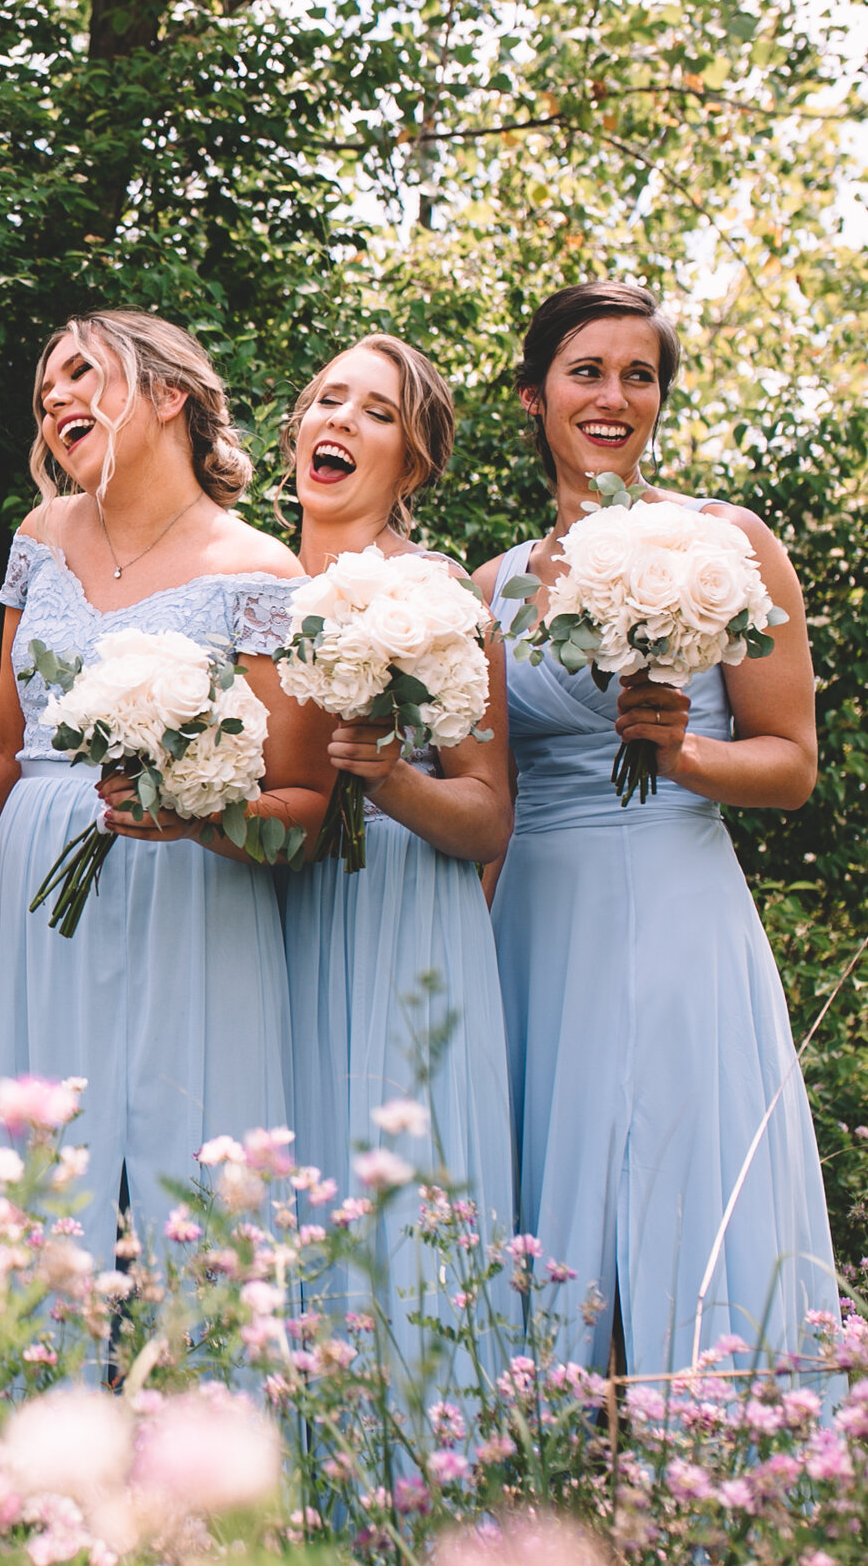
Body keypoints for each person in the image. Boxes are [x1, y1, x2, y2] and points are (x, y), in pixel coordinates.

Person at [476, 280, 836, 1375]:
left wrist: (681, 752)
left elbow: (791, 765)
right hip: (537, 920)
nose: (614, 396)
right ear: (533, 395)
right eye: (587, 371)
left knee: (690, 1175)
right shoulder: (491, 588)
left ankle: (721, 1469)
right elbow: (491, 802)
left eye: (640, 375)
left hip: (682, 907)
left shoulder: (724, 545)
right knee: (547, 1201)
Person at [0, 310, 335, 1266]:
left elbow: (301, 813)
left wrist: (197, 817)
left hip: (197, 898)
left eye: (83, 371)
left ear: (170, 395)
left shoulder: (259, 567)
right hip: (38, 900)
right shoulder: (39, 537)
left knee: (195, 1172)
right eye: (47, 385)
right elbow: (5, 745)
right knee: (44, 1175)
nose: (56, 397)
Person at [275, 336, 519, 1374]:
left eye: (374, 411)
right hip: (264, 910)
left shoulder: (432, 589)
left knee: (398, 1202)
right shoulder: (239, 575)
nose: (338, 420)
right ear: (293, 433)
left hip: (396, 919)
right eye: (326, 399)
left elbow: (487, 816)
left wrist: (390, 776)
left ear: (411, 461)